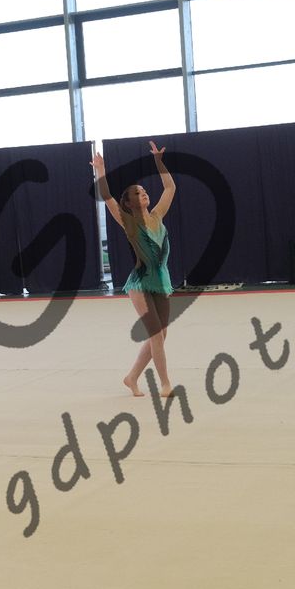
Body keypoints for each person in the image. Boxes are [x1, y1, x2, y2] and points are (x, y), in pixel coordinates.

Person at [92, 140, 177, 398]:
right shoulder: (128, 222)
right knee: (156, 334)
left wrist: (159, 162)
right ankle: (165, 384)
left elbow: (170, 187)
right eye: (139, 193)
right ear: (129, 203)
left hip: (160, 280)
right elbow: (107, 198)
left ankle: (131, 378)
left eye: (144, 191)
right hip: (140, 283)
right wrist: (100, 170)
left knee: (161, 334)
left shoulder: (157, 215)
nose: (144, 194)